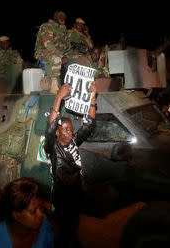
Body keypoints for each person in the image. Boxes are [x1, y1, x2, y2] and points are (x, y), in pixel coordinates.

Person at [44, 82, 97, 247]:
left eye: (71, 129)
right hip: (61, 195)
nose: (70, 132)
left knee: (73, 224)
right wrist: (59, 96)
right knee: (63, 229)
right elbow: (51, 125)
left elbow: (89, 124)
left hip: (76, 191)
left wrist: (93, 96)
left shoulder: (74, 140)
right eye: (65, 129)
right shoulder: (52, 146)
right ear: (57, 133)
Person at [0, 177, 54, 248]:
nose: (41, 214)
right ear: (15, 214)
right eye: (33, 211)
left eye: (41, 207)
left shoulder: (45, 226)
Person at [34, 11, 71, 94]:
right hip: (45, 53)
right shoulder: (47, 26)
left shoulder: (63, 31)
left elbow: (67, 46)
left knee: (74, 61)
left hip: (58, 54)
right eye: (59, 16)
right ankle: (54, 85)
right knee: (57, 60)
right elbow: (48, 45)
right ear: (55, 18)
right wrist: (62, 56)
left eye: (63, 17)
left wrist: (68, 55)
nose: (62, 18)